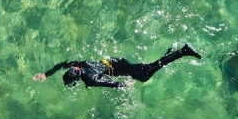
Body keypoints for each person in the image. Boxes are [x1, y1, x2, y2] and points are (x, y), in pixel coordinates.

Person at [33, 44, 201, 88]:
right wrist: (47, 74)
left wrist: (124, 84)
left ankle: (182, 51)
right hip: (114, 62)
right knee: (147, 69)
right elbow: (62, 65)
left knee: (145, 75)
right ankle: (168, 54)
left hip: (119, 69)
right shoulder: (78, 66)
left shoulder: (90, 80)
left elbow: (110, 84)